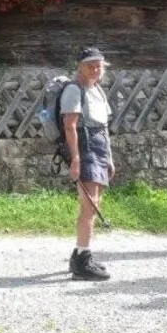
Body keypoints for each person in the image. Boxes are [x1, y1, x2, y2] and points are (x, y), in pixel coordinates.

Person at [61, 47, 114, 281]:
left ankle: (80, 255)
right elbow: (70, 126)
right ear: (80, 67)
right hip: (86, 149)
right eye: (90, 65)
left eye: (99, 66)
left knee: (94, 203)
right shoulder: (74, 90)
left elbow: (104, 127)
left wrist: (109, 157)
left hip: (99, 149)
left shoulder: (97, 90)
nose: (95, 69)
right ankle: (82, 261)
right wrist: (76, 159)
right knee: (89, 205)